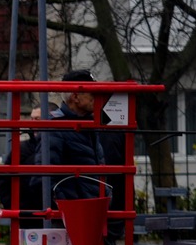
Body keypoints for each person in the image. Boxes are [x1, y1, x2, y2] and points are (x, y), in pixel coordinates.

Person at [19, 70, 123, 215]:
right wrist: (66, 207)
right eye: (92, 94)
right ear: (76, 97)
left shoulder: (90, 126)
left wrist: (105, 198)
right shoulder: (56, 127)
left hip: (91, 211)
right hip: (72, 216)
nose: (97, 98)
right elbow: (42, 179)